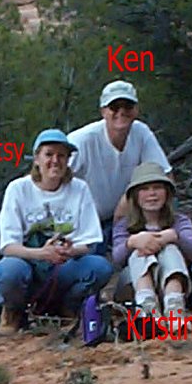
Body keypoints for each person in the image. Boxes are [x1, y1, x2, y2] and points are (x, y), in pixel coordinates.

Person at [0, 129, 113, 335]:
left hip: (65, 264)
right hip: (29, 262)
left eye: (61, 155)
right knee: (8, 271)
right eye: (49, 154)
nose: (55, 161)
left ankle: (69, 306)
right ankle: (14, 310)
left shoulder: (80, 189)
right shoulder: (18, 189)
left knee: (100, 267)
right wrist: (40, 254)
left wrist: (68, 251)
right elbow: (8, 246)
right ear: (37, 158)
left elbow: (90, 241)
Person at [68, 80, 172, 255]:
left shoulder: (141, 133)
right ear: (103, 111)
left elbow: (165, 176)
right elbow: (49, 181)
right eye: (114, 107)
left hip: (126, 221)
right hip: (82, 224)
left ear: (136, 110)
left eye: (127, 106)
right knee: (92, 263)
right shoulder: (81, 141)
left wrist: (129, 199)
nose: (121, 112)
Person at [112, 162, 192, 323]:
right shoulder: (125, 225)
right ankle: (147, 308)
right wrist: (132, 242)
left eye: (157, 187)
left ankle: (175, 308)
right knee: (140, 253)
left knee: (170, 250)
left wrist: (174, 237)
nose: (152, 194)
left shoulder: (180, 221)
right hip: (135, 284)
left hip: (175, 280)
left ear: (167, 193)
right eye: (145, 189)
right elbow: (117, 258)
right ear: (135, 196)